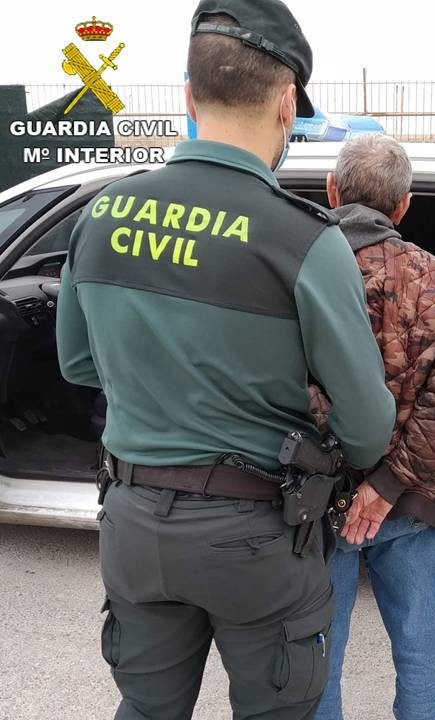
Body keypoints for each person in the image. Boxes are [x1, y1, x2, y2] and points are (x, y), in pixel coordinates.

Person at [55, 1, 396, 717]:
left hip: (133, 523)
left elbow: (80, 365)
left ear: (188, 94)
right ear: (286, 101)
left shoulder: (103, 215)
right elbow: (367, 426)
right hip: (254, 538)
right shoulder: (304, 239)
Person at [309, 134, 435, 720]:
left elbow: (286, 391)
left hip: (317, 504)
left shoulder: (301, 274)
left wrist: (352, 477)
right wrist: (390, 483)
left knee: (317, 660)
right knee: (418, 661)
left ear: (332, 191)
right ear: (403, 206)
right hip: (412, 504)